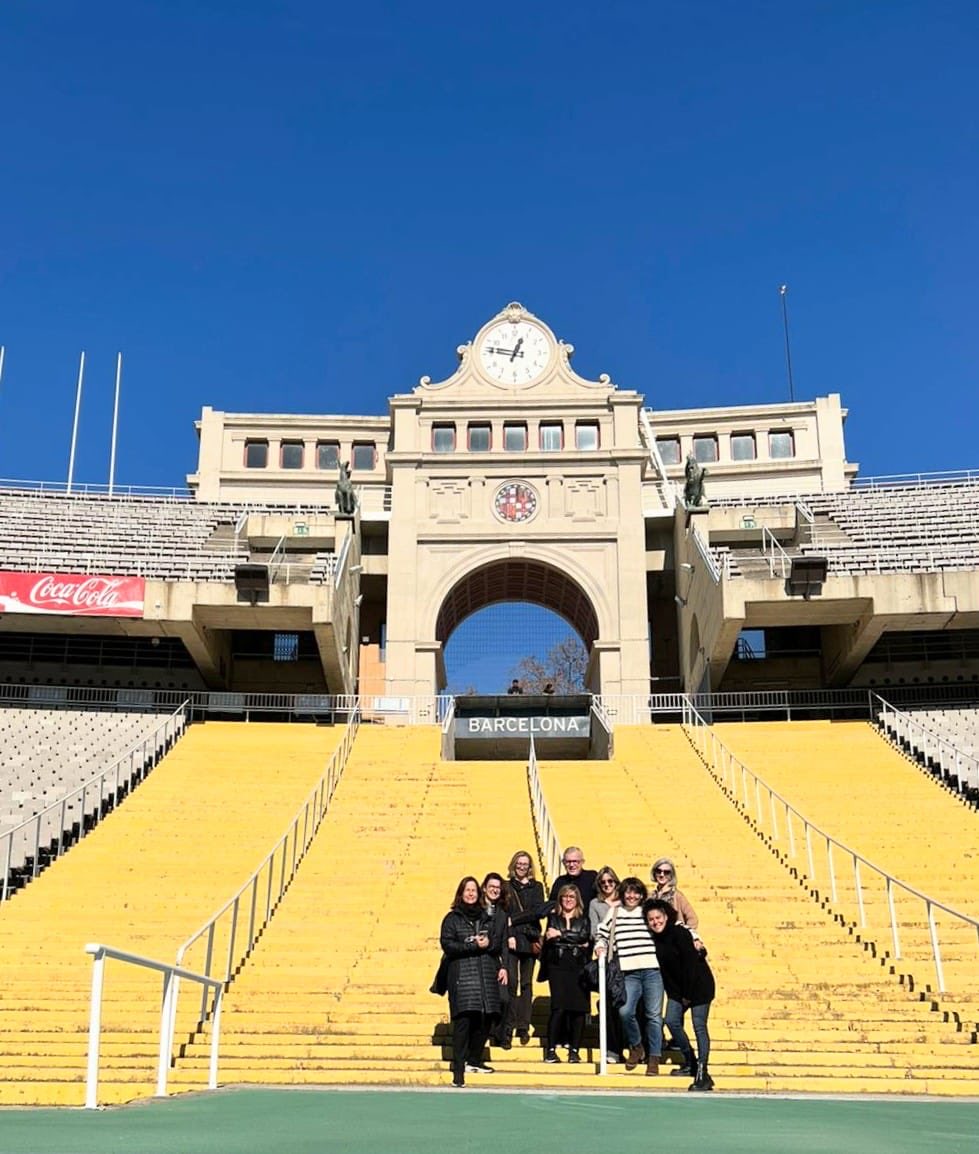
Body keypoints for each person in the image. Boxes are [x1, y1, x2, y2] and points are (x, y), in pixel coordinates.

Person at [439, 876, 506, 1087]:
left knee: (487, 1019)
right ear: (461, 893)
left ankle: (474, 1059)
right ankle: (458, 1072)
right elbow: (448, 945)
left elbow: (497, 943)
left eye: (474, 891)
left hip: (485, 977)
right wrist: (472, 945)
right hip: (462, 978)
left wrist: (489, 943)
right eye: (467, 890)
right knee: (463, 1024)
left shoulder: (486, 918)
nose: (470, 894)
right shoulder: (452, 919)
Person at [645, 899, 716, 1091]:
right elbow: (667, 972)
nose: (655, 922)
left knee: (699, 1025)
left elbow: (691, 966)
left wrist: (687, 994)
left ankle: (703, 1073)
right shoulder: (656, 940)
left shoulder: (680, 933)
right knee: (671, 1020)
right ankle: (690, 1061)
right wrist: (678, 994)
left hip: (699, 986)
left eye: (658, 917)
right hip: (679, 990)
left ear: (666, 916)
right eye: (651, 919)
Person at [595, 877, 663, 1076]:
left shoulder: (647, 911)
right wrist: (600, 946)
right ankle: (636, 1045)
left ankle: (654, 1059)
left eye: (636, 893)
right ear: (623, 893)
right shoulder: (615, 912)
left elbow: (669, 924)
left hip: (652, 970)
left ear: (642, 895)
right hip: (628, 972)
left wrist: (693, 937)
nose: (632, 896)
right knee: (625, 1012)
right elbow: (602, 933)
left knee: (654, 1016)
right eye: (629, 892)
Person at [541, 884, 591, 1063]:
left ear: (577, 900)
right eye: (565, 896)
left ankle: (574, 1050)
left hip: (578, 966)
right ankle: (551, 1049)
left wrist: (560, 935)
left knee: (578, 1010)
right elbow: (550, 938)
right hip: (558, 965)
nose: (568, 900)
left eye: (572, 897)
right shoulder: (553, 917)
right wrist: (573, 939)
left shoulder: (584, 919)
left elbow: (584, 937)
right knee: (559, 1007)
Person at [503, 850, 547, 1047]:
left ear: (530, 867)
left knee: (527, 985)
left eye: (525, 864)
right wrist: (510, 933)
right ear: (514, 865)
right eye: (519, 863)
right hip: (512, 940)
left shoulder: (536, 887)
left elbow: (537, 911)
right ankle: (508, 1025)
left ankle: (523, 1026)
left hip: (529, 939)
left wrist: (515, 920)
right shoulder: (506, 887)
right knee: (511, 984)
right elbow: (503, 914)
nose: (522, 867)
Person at [588, 865, 624, 1064]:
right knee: (609, 1005)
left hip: (628, 957)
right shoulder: (596, 904)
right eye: (603, 882)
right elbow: (594, 930)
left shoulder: (626, 901)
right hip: (609, 958)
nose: (607, 885)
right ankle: (613, 1049)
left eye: (611, 881)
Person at [480, 872, 511, 1048]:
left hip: (495, 960)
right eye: (491, 886)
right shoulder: (477, 909)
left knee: (504, 998)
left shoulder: (502, 913)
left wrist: (504, 967)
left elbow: (505, 943)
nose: (494, 890)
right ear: (484, 888)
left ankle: (499, 1034)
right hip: (478, 959)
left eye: (497, 888)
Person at [650, 858, 701, 937]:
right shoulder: (651, 896)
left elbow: (693, 919)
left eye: (666, 872)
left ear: (671, 876)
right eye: (658, 871)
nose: (662, 874)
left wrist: (683, 934)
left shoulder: (677, 896)